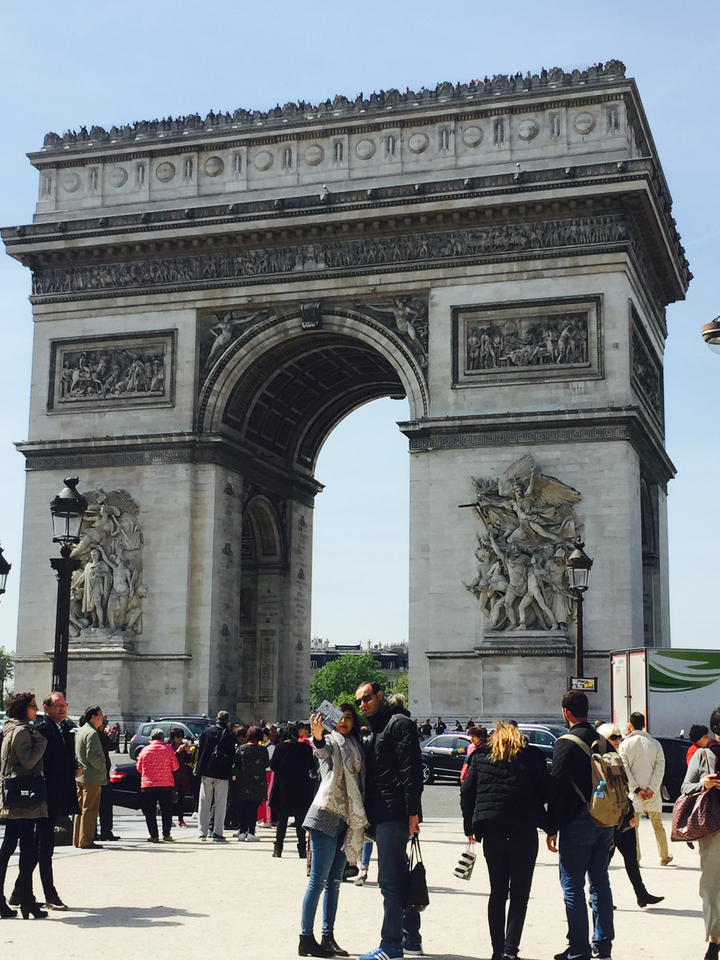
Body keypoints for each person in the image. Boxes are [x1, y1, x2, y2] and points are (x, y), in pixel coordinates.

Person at [461, 720, 556, 960]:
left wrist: (470, 826)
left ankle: (497, 950)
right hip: (524, 831)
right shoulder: (531, 756)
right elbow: (548, 791)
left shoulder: (480, 757)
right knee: (520, 894)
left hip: (492, 831)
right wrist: (549, 825)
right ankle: (510, 951)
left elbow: (467, 792)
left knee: (497, 892)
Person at [355, 681, 423, 960]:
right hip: (385, 810)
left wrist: (413, 812)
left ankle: (391, 945)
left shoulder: (398, 724)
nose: (363, 704)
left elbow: (411, 769)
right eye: (359, 701)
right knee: (399, 876)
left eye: (367, 698)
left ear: (380, 696)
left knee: (390, 880)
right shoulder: (379, 728)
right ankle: (410, 938)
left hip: (393, 811)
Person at [547, 690, 614, 960]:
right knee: (600, 883)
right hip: (605, 820)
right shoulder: (604, 741)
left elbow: (557, 787)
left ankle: (578, 948)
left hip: (577, 821)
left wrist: (551, 826)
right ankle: (603, 945)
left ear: (566, 712)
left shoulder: (566, 743)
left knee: (572, 885)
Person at [299, 704, 367, 958]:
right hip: (326, 814)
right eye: (340, 717)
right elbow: (322, 750)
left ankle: (328, 937)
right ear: (332, 721)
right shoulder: (330, 741)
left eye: (349, 717)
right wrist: (317, 735)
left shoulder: (357, 747)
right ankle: (306, 938)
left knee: (335, 882)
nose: (344, 721)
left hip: (346, 817)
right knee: (318, 881)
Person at [8, 692, 78, 911]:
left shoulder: (65, 730)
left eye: (65, 705)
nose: (62, 709)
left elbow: (65, 758)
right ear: (46, 709)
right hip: (43, 794)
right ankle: (50, 894)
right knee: (44, 845)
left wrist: (75, 767)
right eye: (57, 706)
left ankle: (19, 891)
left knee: (40, 844)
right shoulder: (41, 731)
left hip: (57, 794)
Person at [596, 723, 663, 910]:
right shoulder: (599, 761)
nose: (618, 740)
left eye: (619, 736)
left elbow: (623, 790)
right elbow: (601, 792)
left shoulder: (617, 758)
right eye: (613, 737)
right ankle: (597, 897)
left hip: (624, 813)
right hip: (609, 817)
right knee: (604, 860)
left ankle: (641, 894)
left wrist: (630, 811)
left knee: (631, 857)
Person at [0, 692, 48, 920]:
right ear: (23, 709)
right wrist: (41, 742)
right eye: (33, 706)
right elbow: (28, 761)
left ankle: (22, 899)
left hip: (15, 796)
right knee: (26, 848)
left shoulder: (10, 729)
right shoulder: (21, 731)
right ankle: (27, 901)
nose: (36, 710)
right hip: (24, 797)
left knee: (10, 846)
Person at [681, 705, 720, 960]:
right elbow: (686, 786)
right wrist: (703, 784)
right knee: (712, 887)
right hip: (713, 829)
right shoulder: (703, 755)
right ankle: (715, 940)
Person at [617, 712, 671, 866]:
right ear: (644, 724)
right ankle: (664, 856)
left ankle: (636, 858)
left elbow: (624, 769)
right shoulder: (655, 744)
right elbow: (660, 768)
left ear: (630, 725)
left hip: (634, 793)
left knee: (634, 826)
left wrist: (636, 790)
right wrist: (652, 788)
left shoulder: (624, 745)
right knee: (658, 824)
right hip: (653, 792)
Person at [270, 724, 316, 858]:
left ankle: (278, 847)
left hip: (283, 786)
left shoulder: (280, 748)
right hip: (301, 786)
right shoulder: (305, 748)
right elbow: (311, 765)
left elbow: (273, 766)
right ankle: (302, 848)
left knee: (282, 818)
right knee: (300, 818)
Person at [195, 710, 236, 842]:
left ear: (216, 719)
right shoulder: (230, 734)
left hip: (207, 770)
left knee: (204, 802)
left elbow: (201, 750)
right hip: (222, 772)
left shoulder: (206, 732)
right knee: (220, 803)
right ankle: (217, 832)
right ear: (228, 721)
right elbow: (232, 755)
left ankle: (202, 832)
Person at [73, 705, 108, 850]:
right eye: (100, 715)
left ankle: (77, 838)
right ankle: (86, 840)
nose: (102, 718)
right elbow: (93, 756)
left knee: (80, 809)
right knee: (90, 809)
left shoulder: (81, 730)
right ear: (93, 717)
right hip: (92, 777)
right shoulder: (92, 733)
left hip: (81, 776)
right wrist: (102, 767)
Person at [136, 728, 179, 842]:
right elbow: (175, 767)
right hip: (166, 784)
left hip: (148, 785)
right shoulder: (168, 750)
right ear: (162, 738)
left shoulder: (145, 750)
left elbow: (139, 768)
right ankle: (166, 834)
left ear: (151, 738)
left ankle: (154, 835)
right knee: (167, 810)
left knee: (150, 811)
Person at [235, 726, 269, 842]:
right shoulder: (262, 750)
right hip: (257, 782)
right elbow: (266, 764)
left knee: (243, 807)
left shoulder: (241, 749)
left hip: (243, 781)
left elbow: (237, 764)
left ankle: (242, 831)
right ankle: (251, 832)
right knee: (253, 808)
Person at [169, 727, 195, 827]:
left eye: (181, 736)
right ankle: (169, 819)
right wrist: (177, 751)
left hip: (182, 775)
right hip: (172, 775)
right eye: (178, 736)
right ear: (173, 737)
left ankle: (181, 819)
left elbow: (188, 760)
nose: (180, 739)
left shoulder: (183, 747)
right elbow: (171, 759)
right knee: (171, 799)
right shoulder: (169, 747)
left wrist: (188, 751)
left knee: (181, 798)